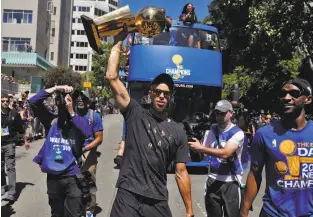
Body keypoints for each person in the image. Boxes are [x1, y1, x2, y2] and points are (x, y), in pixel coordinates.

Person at [106, 28, 194, 217]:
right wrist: (118, 41)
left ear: (170, 98)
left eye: (167, 93)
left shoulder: (177, 131)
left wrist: (189, 210)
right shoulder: (135, 113)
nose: (162, 96)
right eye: (158, 92)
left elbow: (181, 172)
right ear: (151, 94)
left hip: (157, 200)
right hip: (128, 194)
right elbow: (112, 77)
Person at [240, 78, 313, 217]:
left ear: (308, 99)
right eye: (283, 94)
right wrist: (244, 211)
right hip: (273, 213)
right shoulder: (264, 134)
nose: (286, 98)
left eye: (294, 93)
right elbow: (255, 174)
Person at [29, 86, 94, 217]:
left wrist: (71, 111)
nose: (62, 104)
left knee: (73, 214)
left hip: (73, 177)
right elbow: (33, 102)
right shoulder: (52, 121)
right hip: (53, 177)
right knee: (56, 213)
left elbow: (88, 132)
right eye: (60, 101)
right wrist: (55, 88)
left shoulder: (79, 121)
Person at [189, 100, 248, 217]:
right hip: (212, 180)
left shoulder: (238, 133)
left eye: (223, 113)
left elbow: (226, 153)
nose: (219, 116)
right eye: (217, 113)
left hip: (231, 182)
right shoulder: (211, 130)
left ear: (231, 113)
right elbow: (204, 155)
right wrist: (194, 146)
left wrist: (201, 149)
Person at [73, 90, 103, 217]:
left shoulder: (94, 116)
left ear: (87, 101)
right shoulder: (71, 114)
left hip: (88, 153)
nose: (80, 100)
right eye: (78, 98)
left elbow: (99, 138)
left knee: (88, 182)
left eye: (83, 98)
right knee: (72, 182)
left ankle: (90, 210)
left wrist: (85, 149)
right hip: (72, 152)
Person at [1, 94, 28, 201]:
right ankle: (3, 187)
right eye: (2, 101)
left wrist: (25, 141)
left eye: (6, 100)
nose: (5, 102)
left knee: (10, 167)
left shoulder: (14, 114)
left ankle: (12, 192)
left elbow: (21, 129)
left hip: (9, 144)